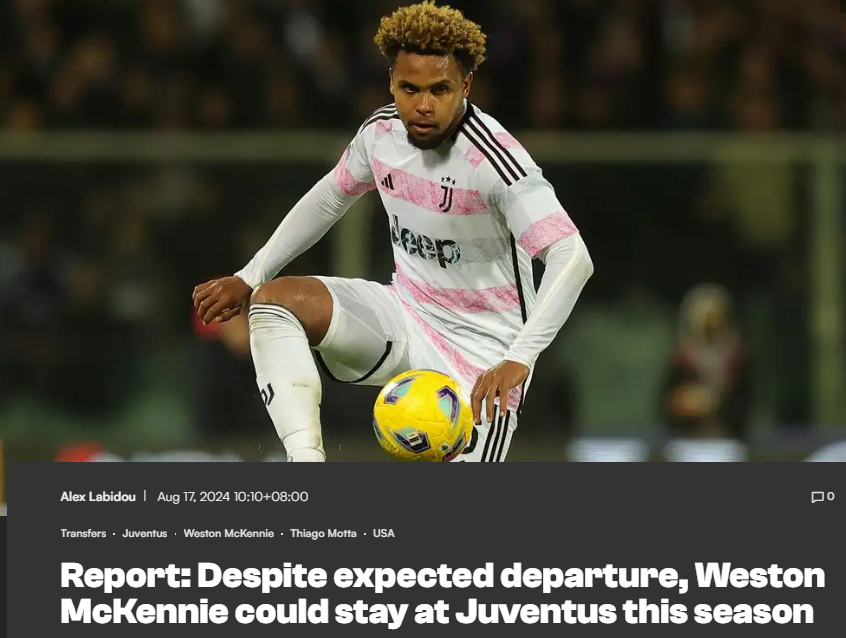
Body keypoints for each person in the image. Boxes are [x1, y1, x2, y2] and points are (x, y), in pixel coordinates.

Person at [192, 1, 594, 462]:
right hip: (405, 314)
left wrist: (520, 358)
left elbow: (572, 257)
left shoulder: (495, 161)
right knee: (273, 301)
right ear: (391, 82)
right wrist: (250, 275)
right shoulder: (380, 134)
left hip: (483, 360)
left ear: (466, 85)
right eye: (409, 88)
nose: (423, 105)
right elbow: (330, 197)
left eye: (440, 90)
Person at [661, 283, 752, 440]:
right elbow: (668, 402)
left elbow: (744, 402)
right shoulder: (683, 358)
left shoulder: (736, 357)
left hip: (727, 437)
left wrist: (717, 404)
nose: (711, 323)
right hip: (688, 437)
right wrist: (685, 402)